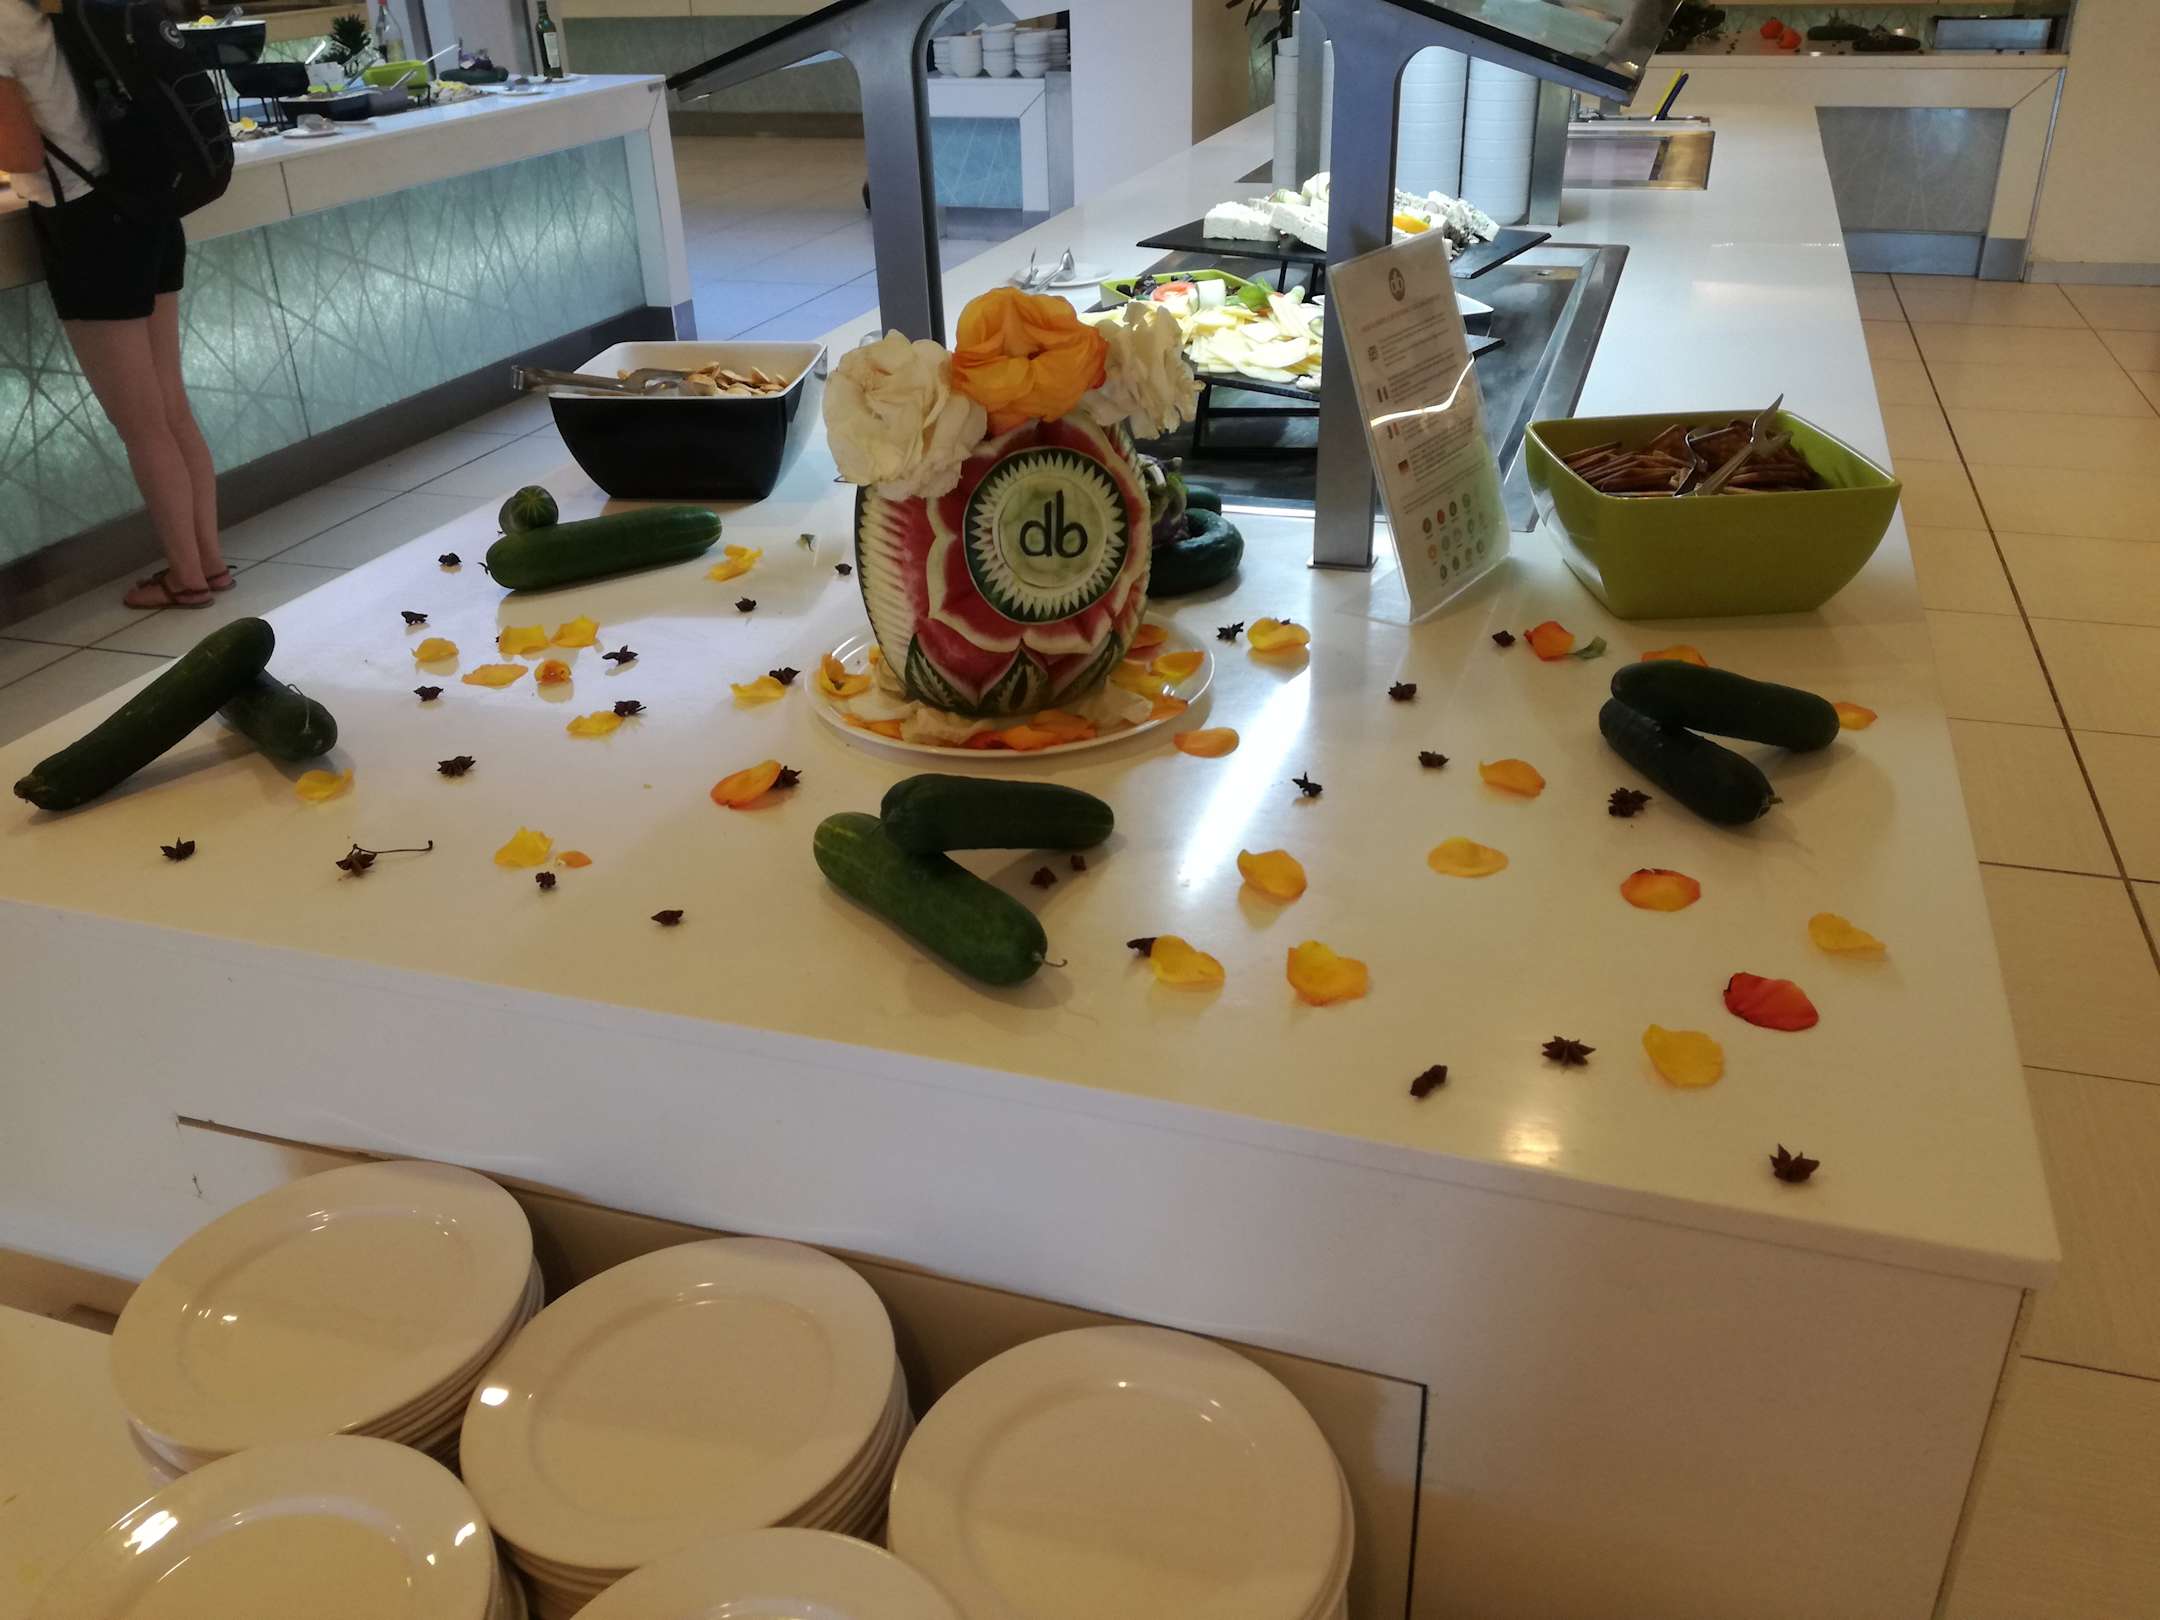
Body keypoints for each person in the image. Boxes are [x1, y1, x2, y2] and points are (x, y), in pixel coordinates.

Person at [0, 0, 229, 608]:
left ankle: (186, 579)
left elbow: (21, 155)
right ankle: (208, 563)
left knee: (142, 424)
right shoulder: (56, 6)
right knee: (170, 408)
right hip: (146, 203)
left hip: (85, 225)